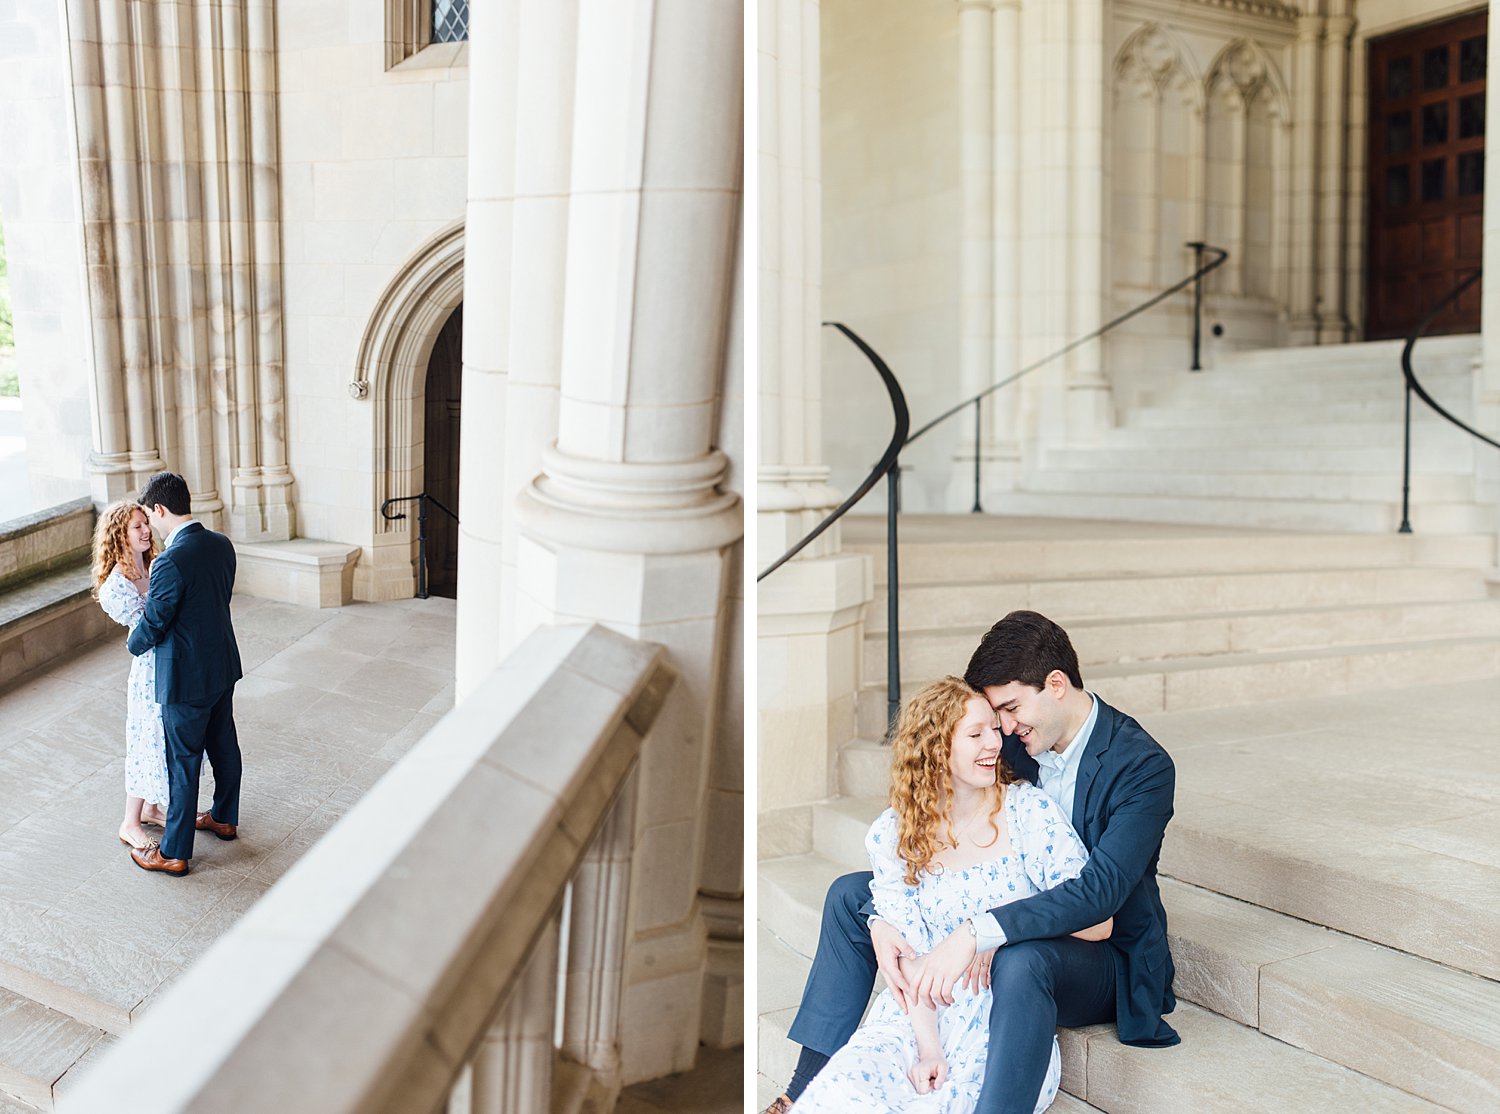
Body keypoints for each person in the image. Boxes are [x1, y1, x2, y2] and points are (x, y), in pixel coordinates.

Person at [768, 610, 1178, 1114]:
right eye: (993, 718)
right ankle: (803, 1086)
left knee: (1020, 958)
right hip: (1017, 913)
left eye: (1009, 710)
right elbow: (946, 783)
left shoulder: (1142, 767)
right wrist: (883, 921)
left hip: (1102, 953)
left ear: (1055, 685)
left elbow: (1099, 896)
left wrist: (981, 930)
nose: (1002, 731)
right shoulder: (1016, 740)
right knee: (851, 896)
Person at [792, 677, 1110, 1113]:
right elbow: (910, 958)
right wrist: (928, 1050)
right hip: (917, 1020)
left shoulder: (1027, 814)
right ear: (937, 748)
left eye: (993, 730)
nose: (993, 744)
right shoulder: (894, 834)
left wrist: (1000, 934)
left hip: (1000, 1017)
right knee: (844, 1093)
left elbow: (1094, 918)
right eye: (974, 734)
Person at [126, 471, 245, 877]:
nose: (150, 525)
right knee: (223, 744)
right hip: (221, 665)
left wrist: (132, 643)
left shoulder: (171, 561)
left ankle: (174, 852)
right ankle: (225, 818)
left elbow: (155, 622)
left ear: (159, 509)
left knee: (184, 763)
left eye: (149, 516)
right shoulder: (221, 544)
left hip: (186, 679)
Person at [92, 500, 169, 849]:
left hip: (170, 660)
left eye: (145, 524)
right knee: (144, 738)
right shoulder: (116, 586)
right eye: (136, 526)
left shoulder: (156, 565)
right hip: (148, 667)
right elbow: (143, 628)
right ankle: (130, 821)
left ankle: (153, 806)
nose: (145, 530)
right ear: (120, 535)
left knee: (164, 735)